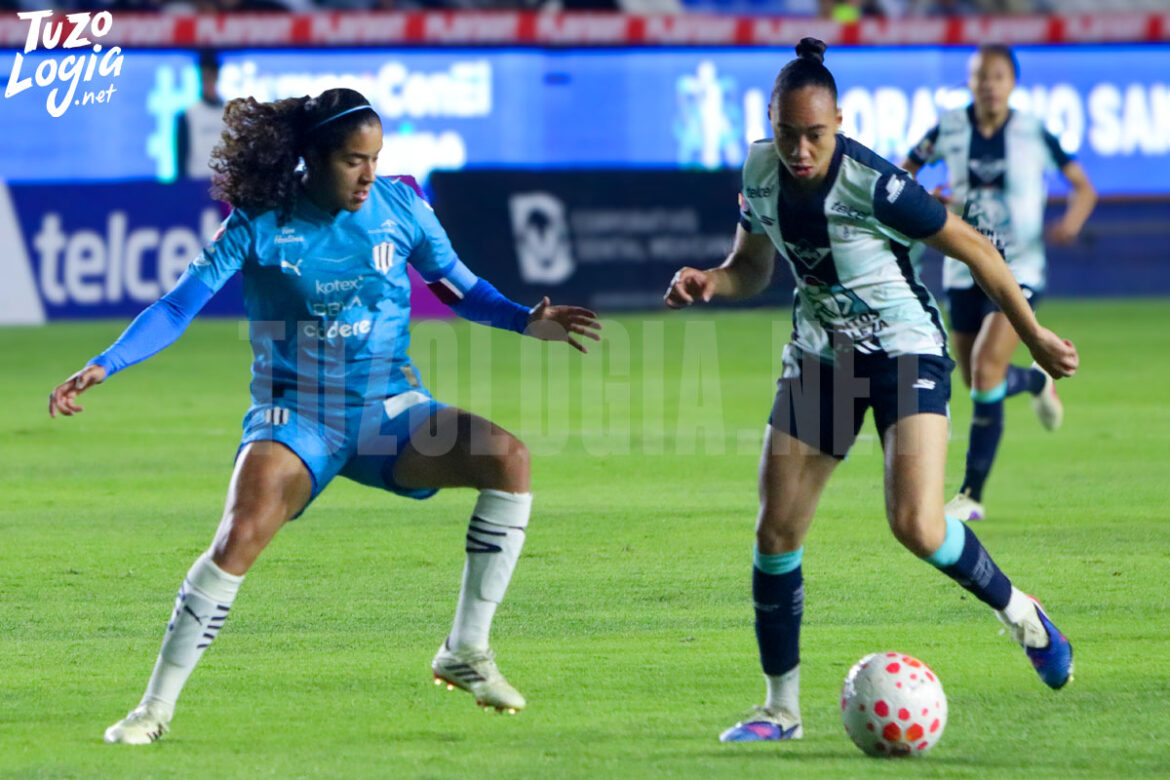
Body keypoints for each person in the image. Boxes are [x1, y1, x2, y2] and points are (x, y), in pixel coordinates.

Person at [49, 88, 601, 744]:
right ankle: (153, 710)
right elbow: (175, 308)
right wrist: (106, 363)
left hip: (389, 413)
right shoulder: (258, 222)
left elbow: (460, 288)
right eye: (352, 160)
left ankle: (465, 651)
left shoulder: (402, 207)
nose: (368, 174)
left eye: (375, 158)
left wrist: (522, 320)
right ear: (311, 158)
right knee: (239, 535)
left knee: (507, 458)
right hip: (295, 419)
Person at [664, 38, 1077, 744]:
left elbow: (975, 246)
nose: (799, 150)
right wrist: (712, 278)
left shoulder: (874, 183)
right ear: (768, 122)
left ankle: (1023, 616)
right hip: (822, 353)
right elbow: (753, 267)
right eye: (787, 133)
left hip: (903, 348)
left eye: (815, 135)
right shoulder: (759, 171)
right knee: (775, 533)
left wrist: (1032, 334)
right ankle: (781, 711)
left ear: (840, 124)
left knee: (916, 524)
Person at [901, 44, 1096, 523]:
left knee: (985, 372)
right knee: (975, 379)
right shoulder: (948, 128)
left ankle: (971, 493)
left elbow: (1083, 187)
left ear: (1012, 82)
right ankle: (1034, 380)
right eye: (979, 76)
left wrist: (1071, 222)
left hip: (1019, 270)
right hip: (961, 264)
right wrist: (925, 197)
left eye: (997, 76)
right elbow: (901, 173)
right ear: (970, 82)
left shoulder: (1034, 132)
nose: (988, 84)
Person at [176, 50, 226, 181]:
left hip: (225, 186)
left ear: (217, 76)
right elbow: (181, 159)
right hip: (197, 184)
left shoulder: (230, 115)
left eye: (211, 75)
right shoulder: (189, 115)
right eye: (205, 76)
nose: (208, 81)